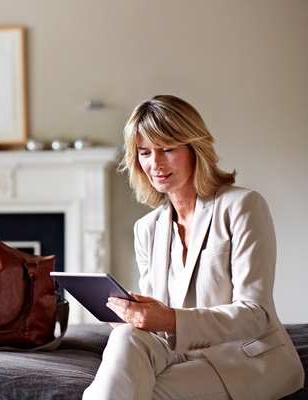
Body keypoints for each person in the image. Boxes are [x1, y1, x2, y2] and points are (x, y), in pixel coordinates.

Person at [83, 95, 304, 399]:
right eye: (145, 152)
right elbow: (158, 328)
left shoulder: (242, 206)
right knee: (125, 338)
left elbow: (256, 314)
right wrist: (135, 315)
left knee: (141, 392)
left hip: (244, 360)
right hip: (178, 354)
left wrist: (170, 320)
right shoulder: (147, 229)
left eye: (167, 149)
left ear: (194, 148)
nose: (155, 164)